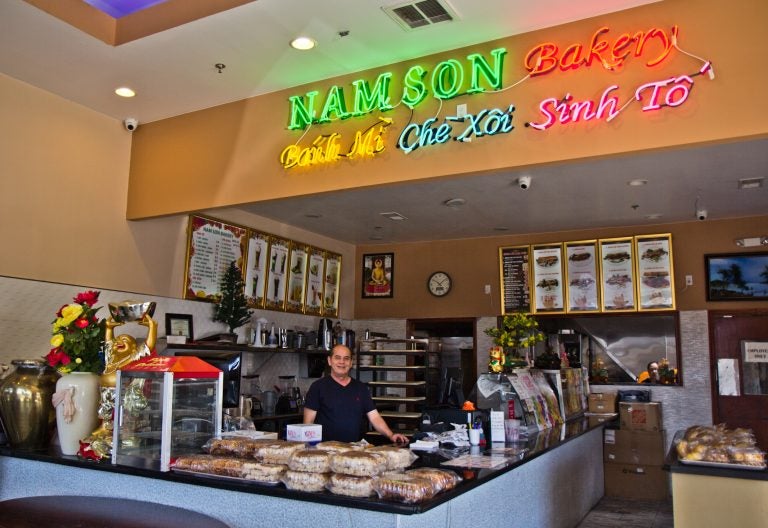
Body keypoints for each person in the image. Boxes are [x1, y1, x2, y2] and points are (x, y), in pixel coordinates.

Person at [303, 344, 408, 444]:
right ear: (329, 361)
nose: (342, 362)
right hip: (326, 451)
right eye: (337, 358)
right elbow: (308, 423)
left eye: (346, 358)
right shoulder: (317, 387)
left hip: (355, 451)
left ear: (351, 362)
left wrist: (391, 435)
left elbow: (374, 417)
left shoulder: (360, 388)